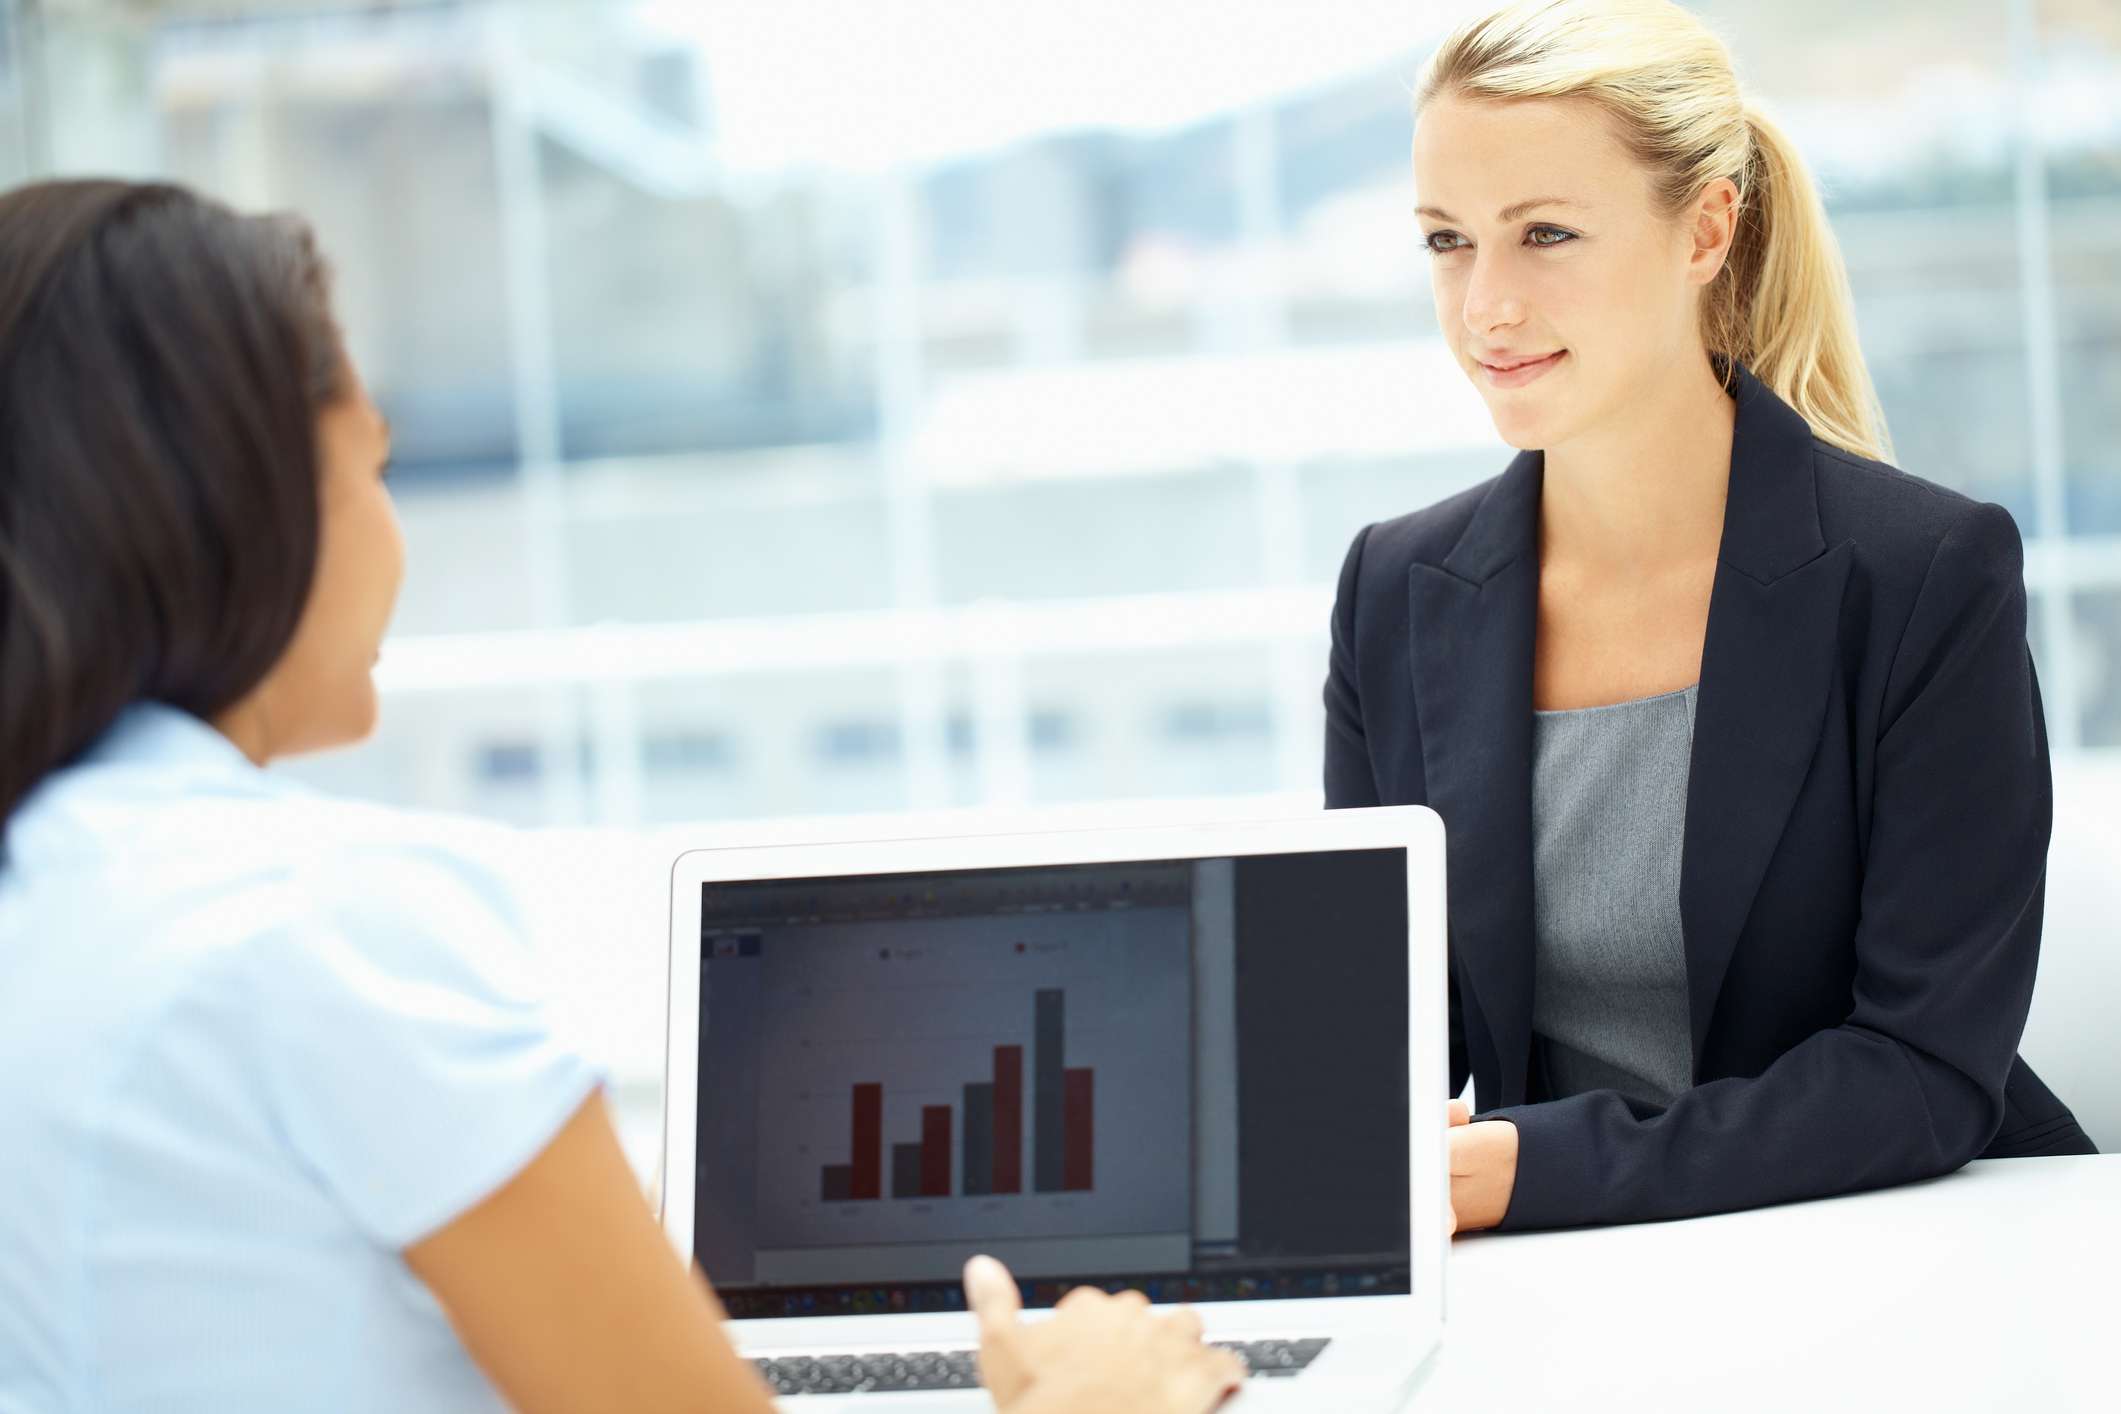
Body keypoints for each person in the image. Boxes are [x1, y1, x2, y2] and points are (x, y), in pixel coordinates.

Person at [0, 178, 1244, 1413]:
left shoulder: (60, 898)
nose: (394, 537)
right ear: (248, 500)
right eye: (373, 465)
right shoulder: (323, 925)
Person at [1325, 0, 2097, 1237]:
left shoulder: (1926, 574)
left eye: (1548, 234)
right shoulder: (1395, 590)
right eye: (1448, 241)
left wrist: (1541, 1169)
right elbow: (1379, 1046)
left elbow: (1926, 1068)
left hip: (1900, 1244)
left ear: (1707, 229)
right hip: (1566, 1276)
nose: (1487, 307)